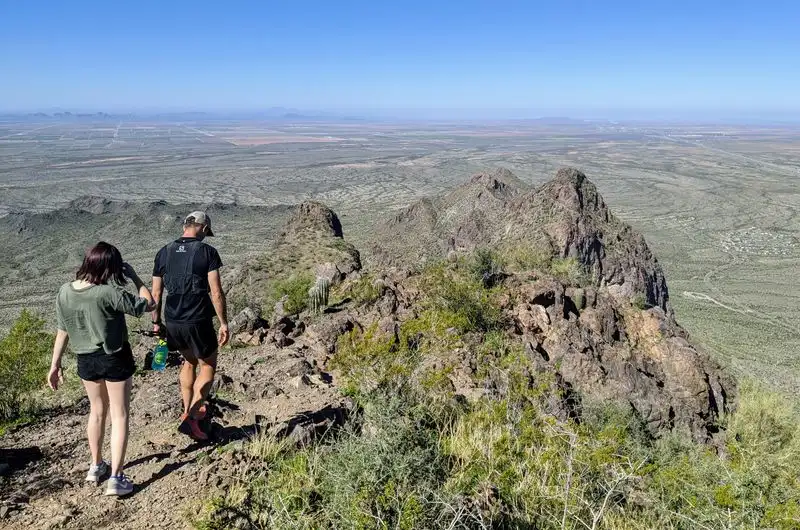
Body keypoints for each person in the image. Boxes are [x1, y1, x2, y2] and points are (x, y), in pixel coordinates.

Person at [48, 242, 155, 497]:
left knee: (96, 413)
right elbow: (148, 304)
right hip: (114, 357)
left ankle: (96, 466)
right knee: (119, 415)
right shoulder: (108, 292)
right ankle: (116, 478)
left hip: (85, 360)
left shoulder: (65, 291)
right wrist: (135, 277)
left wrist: (55, 364)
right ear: (110, 267)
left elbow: (62, 329)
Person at [151, 211, 229, 442]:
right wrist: (223, 322)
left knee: (189, 361)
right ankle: (194, 416)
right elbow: (215, 291)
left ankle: (187, 409)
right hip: (198, 320)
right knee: (208, 365)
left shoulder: (163, 252)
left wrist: (156, 324)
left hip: (173, 320)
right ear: (203, 228)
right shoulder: (207, 252)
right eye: (207, 232)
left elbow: (156, 293)